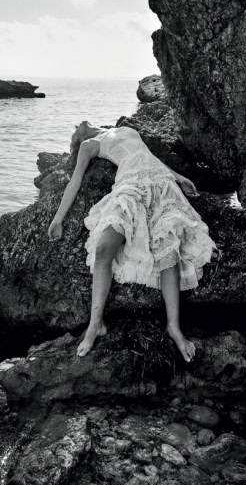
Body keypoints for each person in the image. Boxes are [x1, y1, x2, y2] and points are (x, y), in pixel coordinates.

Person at [47, 121, 217, 361]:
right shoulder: (88, 145)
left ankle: (174, 328)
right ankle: (95, 324)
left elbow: (149, 155)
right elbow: (74, 183)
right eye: (73, 130)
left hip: (162, 184)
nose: (76, 125)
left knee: (169, 251)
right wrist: (57, 219)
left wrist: (178, 177)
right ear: (76, 140)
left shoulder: (120, 127)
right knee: (104, 247)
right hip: (130, 186)